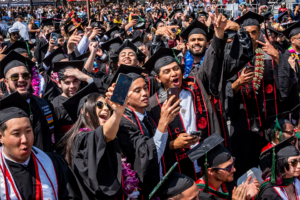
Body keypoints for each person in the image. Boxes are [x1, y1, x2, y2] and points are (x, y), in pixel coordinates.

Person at [147, 11, 228, 180]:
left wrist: (219, 34)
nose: (173, 74)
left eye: (175, 68)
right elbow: (148, 146)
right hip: (177, 168)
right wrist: (172, 144)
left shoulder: (194, 84)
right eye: (167, 71)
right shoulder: (153, 105)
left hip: (206, 157)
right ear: (157, 78)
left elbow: (212, 62)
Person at [227, 11, 299, 179]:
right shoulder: (231, 57)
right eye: (247, 33)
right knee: (245, 168)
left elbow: (288, 87)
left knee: (272, 167)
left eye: (254, 32)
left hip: (270, 123)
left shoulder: (271, 53)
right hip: (243, 124)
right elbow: (223, 90)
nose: (251, 37)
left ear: (260, 33)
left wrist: (277, 56)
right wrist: (238, 83)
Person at [0, 91, 84, 199]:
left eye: (28, 131)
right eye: (16, 134)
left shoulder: (53, 163)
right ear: (1, 137)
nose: (25, 139)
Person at [60, 81, 136, 199]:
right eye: (100, 105)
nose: (106, 108)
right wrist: (117, 113)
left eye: (107, 105)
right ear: (85, 112)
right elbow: (105, 135)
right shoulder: (81, 139)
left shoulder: (112, 136)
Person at [116, 65, 181, 196]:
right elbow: (147, 157)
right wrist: (163, 122)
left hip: (162, 180)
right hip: (144, 190)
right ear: (125, 97)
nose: (145, 93)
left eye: (145, 88)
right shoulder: (123, 123)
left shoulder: (148, 115)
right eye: (137, 90)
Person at [0, 50, 61, 152]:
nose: (21, 79)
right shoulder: (2, 109)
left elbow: (57, 138)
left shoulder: (45, 105)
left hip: (44, 163)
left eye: (25, 75)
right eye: (15, 77)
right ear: (6, 82)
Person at [187, 133, 260, 200]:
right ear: (211, 171)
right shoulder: (199, 195)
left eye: (233, 164)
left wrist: (245, 196)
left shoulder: (227, 183)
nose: (234, 169)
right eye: (228, 167)